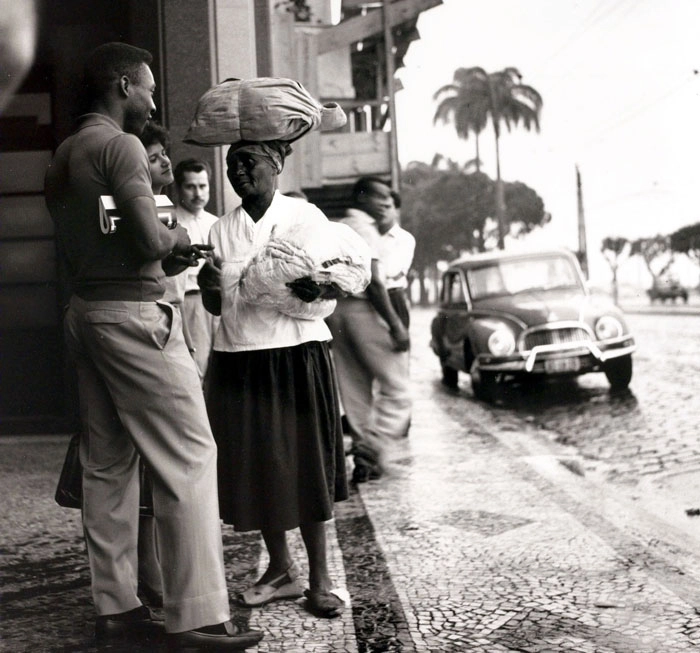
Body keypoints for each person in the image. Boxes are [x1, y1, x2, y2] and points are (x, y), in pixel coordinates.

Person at [44, 42, 262, 650]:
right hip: (136, 314)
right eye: (147, 88)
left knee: (108, 465)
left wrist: (157, 237)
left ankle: (116, 610)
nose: (153, 100)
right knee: (190, 455)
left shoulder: (66, 153)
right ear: (122, 85)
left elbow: (98, 230)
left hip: (86, 310)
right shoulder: (122, 146)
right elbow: (144, 239)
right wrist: (173, 237)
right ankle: (197, 616)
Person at [199, 139, 348, 619]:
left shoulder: (306, 219)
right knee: (262, 464)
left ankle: (322, 578)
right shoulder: (221, 230)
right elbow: (218, 304)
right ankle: (282, 568)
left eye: (249, 161)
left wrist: (321, 286)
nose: (238, 171)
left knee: (306, 463)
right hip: (241, 357)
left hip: (297, 353)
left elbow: (338, 282)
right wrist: (207, 288)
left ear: (276, 165)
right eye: (230, 164)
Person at [326, 176, 411, 483]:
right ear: (362, 197)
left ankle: (364, 458)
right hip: (362, 310)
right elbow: (375, 281)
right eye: (381, 199)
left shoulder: (342, 225)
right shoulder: (365, 228)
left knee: (355, 388)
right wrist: (396, 324)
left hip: (337, 313)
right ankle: (373, 447)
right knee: (398, 387)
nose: (386, 205)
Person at [173, 158, 219, 379]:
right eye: (190, 186)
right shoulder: (171, 222)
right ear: (179, 188)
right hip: (189, 299)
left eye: (203, 186)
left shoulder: (215, 223)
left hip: (217, 300)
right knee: (197, 363)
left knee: (220, 363)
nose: (198, 193)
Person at [379, 190, 415, 329]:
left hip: (393, 297)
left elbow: (393, 272)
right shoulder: (368, 235)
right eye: (380, 207)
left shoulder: (404, 239)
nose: (382, 211)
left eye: (387, 207)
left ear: (397, 211)